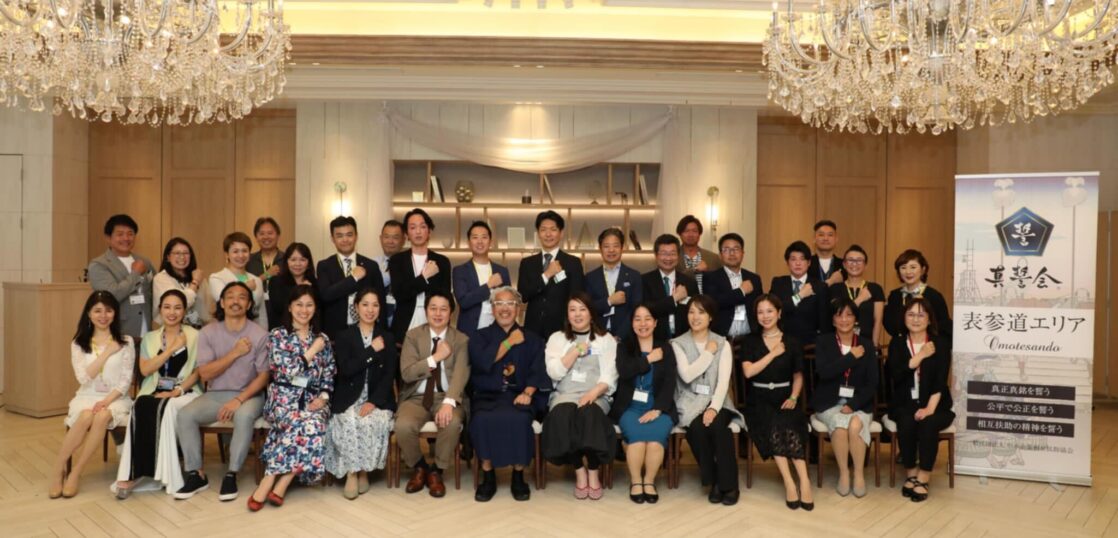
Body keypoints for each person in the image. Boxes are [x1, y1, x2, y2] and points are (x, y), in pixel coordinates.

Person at [175, 282, 270, 502]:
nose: (236, 301)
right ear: (222, 303)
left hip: (249, 395)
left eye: (242, 297)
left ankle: (231, 474)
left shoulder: (260, 334)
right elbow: (205, 373)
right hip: (215, 394)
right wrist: (235, 353)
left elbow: (263, 377)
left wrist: (239, 400)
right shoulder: (208, 332)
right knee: (185, 415)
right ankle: (196, 474)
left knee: (244, 416)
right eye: (230, 297)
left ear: (249, 305)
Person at [248, 285, 336, 511]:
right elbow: (287, 370)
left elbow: (329, 373)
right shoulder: (278, 335)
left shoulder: (322, 338)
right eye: (299, 305)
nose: (304, 310)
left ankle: (279, 482)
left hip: (314, 398)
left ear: (315, 308)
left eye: (309, 305)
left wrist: (324, 397)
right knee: (302, 423)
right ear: (289, 307)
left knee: (314, 422)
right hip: (283, 397)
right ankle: (272, 481)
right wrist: (312, 351)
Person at [114, 290, 203, 499]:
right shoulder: (150, 338)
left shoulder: (195, 336)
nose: (172, 312)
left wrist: (177, 391)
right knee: (141, 404)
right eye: (167, 307)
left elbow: (199, 371)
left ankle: (164, 473)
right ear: (160, 310)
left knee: (165, 406)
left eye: (177, 308)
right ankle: (133, 472)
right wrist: (171, 349)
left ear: (185, 311)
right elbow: (145, 370)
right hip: (154, 389)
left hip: (185, 391)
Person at [468, 286, 549, 502]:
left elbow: (538, 370)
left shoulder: (533, 339)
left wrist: (528, 393)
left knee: (520, 419)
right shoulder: (479, 336)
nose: (505, 309)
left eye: (510, 304)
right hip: (488, 396)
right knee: (481, 420)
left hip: (519, 395)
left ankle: (518, 476)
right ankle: (488, 476)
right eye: (499, 304)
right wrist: (509, 341)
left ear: (518, 309)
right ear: (492, 309)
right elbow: (482, 363)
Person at [51, 291, 135, 498]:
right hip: (86, 396)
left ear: (115, 313)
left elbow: (125, 382)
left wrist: (106, 401)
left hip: (116, 398)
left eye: (108, 310)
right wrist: (107, 352)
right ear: (88, 313)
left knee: (102, 415)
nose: (103, 315)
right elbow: (83, 378)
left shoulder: (126, 341)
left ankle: (75, 473)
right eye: (97, 311)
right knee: (86, 415)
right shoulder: (79, 343)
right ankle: (58, 469)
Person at [542, 292, 618, 501]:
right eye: (572, 310)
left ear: (591, 313)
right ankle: (579, 471)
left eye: (582, 309)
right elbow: (554, 372)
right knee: (563, 414)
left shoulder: (605, 339)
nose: (577, 314)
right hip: (565, 394)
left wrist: (592, 393)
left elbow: (610, 375)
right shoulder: (557, 338)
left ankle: (593, 470)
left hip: (596, 394)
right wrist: (575, 351)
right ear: (567, 315)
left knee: (589, 414)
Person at [742, 294, 814, 511]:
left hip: (786, 397)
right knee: (774, 425)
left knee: (789, 424)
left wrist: (793, 397)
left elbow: (798, 376)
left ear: (779, 313)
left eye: (769, 311)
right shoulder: (750, 341)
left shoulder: (792, 341)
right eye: (760, 312)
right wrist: (773, 354)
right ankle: (789, 482)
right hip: (758, 399)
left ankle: (804, 481)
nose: (765, 316)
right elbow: (748, 372)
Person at [397, 291, 470, 498]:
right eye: (433, 308)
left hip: (446, 396)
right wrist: (435, 358)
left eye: (443, 309)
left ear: (451, 313)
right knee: (403, 426)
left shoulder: (461, 339)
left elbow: (461, 373)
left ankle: (437, 470)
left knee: (451, 423)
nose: (438, 314)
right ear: (426, 311)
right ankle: (420, 467)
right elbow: (407, 373)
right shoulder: (413, 336)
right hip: (416, 397)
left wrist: (449, 402)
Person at [327, 288, 397, 499]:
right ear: (356, 307)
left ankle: (364, 470)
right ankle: (352, 473)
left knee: (371, 420)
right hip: (348, 398)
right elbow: (346, 370)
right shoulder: (344, 336)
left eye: (375, 305)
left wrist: (373, 401)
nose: (370, 309)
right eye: (365, 304)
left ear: (380, 308)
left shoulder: (387, 337)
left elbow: (389, 375)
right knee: (349, 420)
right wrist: (371, 351)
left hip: (377, 399)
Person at [672, 295, 743, 506]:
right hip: (689, 402)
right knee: (697, 429)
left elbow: (723, 382)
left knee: (719, 428)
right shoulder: (678, 343)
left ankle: (729, 485)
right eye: (691, 312)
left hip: (717, 401)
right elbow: (687, 375)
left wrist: (713, 408)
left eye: (701, 312)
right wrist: (708, 353)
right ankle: (716, 481)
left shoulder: (722, 343)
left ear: (710, 316)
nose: (695, 317)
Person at [887, 297, 954, 503]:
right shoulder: (897, 343)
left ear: (929, 319)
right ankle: (911, 473)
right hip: (904, 402)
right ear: (904, 317)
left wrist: (929, 409)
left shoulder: (940, 344)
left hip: (936, 403)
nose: (915, 319)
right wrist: (920, 357)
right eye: (911, 314)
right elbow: (895, 374)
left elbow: (940, 381)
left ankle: (923, 476)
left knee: (928, 423)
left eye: (921, 315)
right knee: (906, 421)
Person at [812, 298, 878, 498]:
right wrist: (850, 357)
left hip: (859, 403)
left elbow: (873, 383)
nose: (844, 319)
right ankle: (843, 473)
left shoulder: (866, 345)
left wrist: (853, 404)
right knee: (840, 427)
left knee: (855, 425)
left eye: (849, 315)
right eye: (839, 315)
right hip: (829, 403)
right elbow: (824, 373)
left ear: (856, 319)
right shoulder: (824, 342)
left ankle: (858, 474)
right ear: (833, 319)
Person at [611, 304, 676, 504]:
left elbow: (670, 381)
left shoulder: (665, 348)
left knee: (655, 441)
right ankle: (636, 481)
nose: (643, 323)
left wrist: (658, 409)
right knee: (638, 440)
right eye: (637, 319)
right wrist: (649, 360)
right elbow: (625, 371)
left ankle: (649, 481)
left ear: (655, 322)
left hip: (658, 407)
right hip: (630, 407)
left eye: (647, 319)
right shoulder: (624, 347)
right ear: (632, 323)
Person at [703, 232, 764, 407]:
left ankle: (749, 414)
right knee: (723, 383)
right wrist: (741, 291)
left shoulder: (754, 278)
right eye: (727, 249)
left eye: (736, 249)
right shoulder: (711, 277)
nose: (732, 253)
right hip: (722, 339)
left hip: (749, 338)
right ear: (720, 254)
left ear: (743, 253)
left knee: (749, 383)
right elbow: (713, 304)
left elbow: (759, 307)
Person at [518, 210, 585, 339]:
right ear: (538, 233)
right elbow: (523, 295)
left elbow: (576, 298)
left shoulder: (573, 263)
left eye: (553, 229)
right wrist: (546, 275)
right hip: (533, 329)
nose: (548, 234)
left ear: (561, 233)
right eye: (543, 230)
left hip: (562, 329)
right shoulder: (527, 263)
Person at [87, 214, 155, 342]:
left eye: (130, 234)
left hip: (147, 332)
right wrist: (135, 274)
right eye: (120, 234)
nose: (126, 238)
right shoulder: (99, 264)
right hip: (119, 333)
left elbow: (153, 291)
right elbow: (112, 295)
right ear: (108, 238)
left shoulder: (144, 261)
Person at [318, 216, 386, 341]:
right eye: (339, 236)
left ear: (356, 236)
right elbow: (326, 295)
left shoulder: (371, 266)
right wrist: (353, 278)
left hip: (367, 332)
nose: (345, 239)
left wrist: (382, 333)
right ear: (332, 239)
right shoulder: (324, 266)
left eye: (349, 235)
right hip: (335, 333)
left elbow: (380, 300)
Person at [390, 209, 452, 343]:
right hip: (405, 322)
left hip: (434, 320)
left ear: (429, 231)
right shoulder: (397, 260)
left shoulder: (442, 262)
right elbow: (400, 294)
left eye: (423, 227)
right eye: (413, 227)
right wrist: (424, 277)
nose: (418, 231)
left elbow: (446, 298)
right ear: (407, 233)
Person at [453, 221, 511, 340]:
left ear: (490, 242)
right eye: (475, 237)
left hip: (497, 332)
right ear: (469, 242)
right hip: (469, 333)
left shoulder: (502, 271)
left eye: (484, 237)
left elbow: (509, 303)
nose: (480, 241)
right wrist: (488, 286)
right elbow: (463, 301)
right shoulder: (460, 271)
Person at [883, 249, 952, 344]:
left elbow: (944, 327)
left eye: (913, 267)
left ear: (923, 270)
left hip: (928, 347)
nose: (908, 272)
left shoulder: (934, 296)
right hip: (900, 346)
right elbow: (888, 324)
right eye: (903, 267)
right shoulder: (894, 295)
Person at [586, 228, 643, 340]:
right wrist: (609, 301)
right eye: (606, 246)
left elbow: (636, 309)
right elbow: (588, 308)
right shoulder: (590, 277)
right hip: (597, 336)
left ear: (622, 248)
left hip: (626, 338)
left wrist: (620, 336)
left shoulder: (634, 276)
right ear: (600, 249)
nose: (611, 250)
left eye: (615, 246)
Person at [769, 241, 828, 347]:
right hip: (782, 342)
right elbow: (776, 310)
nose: (798, 263)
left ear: (809, 263)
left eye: (802, 259)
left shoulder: (820, 286)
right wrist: (800, 295)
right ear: (787, 263)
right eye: (793, 259)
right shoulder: (778, 283)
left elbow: (824, 321)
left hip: (810, 344)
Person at [642, 234, 699, 340]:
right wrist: (674, 299)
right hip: (655, 339)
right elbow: (646, 311)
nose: (668, 258)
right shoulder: (644, 281)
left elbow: (697, 312)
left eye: (672, 254)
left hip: (684, 339)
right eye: (664, 253)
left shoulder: (689, 282)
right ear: (656, 255)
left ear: (678, 255)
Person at [209, 232, 269, 329]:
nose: (241, 255)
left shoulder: (256, 280)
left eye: (244, 251)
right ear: (227, 255)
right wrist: (246, 287)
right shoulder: (217, 278)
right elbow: (226, 302)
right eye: (235, 251)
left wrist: (263, 334)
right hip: (225, 330)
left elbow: (261, 314)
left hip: (252, 331)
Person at [827, 245, 885, 346]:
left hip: (867, 343)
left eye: (859, 260)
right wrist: (860, 299)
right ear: (844, 264)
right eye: (850, 260)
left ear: (865, 265)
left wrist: (874, 347)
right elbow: (837, 314)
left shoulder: (875, 289)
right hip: (840, 344)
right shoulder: (835, 289)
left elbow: (877, 321)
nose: (854, 264)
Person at [153, 237, 205, 328]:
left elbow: (207, 309)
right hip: (169, 330)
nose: (182, 257)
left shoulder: (197, 276)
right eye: (177, 253)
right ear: (168, 257)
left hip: (197, 330)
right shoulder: (161, 278)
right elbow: (179, 303)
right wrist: (195, 283)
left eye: (186, 253)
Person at [246, 217, 286, 326]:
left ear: (278, 235)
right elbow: (243, 285)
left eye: (270, 233)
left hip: (281, 314)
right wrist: (266, 275)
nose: (266, 237)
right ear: (256, 237)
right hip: (254, 314)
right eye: (261, 233)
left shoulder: (287, 259)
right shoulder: (248, 260)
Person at [268, 243, 317, 330]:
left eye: (302, 260)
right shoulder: (276, 281)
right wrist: (300, 289)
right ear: (287, 261)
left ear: (308, 263)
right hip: (283, 332)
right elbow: (279, 307)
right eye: (293, 260)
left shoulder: (315, 283)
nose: (297, 264)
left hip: (309, 331)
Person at [675, 215, 722, 294]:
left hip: (707, 300)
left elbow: (720, 282)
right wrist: (694, 269)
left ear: (699, 234)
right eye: (686, 231)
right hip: (680, 300)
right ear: (680, 234)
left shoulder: (713, 258)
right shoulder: (672, 257)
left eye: (694, 231)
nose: (690, 234)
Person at [374, 220, 405, 327]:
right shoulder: (373, 264)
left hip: (402, 324)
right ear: (380, 238)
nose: (390, 241)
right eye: (386, 237)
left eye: (395, 237)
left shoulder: (410, 265)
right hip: (377, 323)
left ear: (403, 240)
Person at [809, 220, 844, 286]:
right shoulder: (806, 264)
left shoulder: (844, 265)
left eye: (830, 235)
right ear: (814, 239)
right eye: (821, 235)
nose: (825, 238)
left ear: (836, 239)